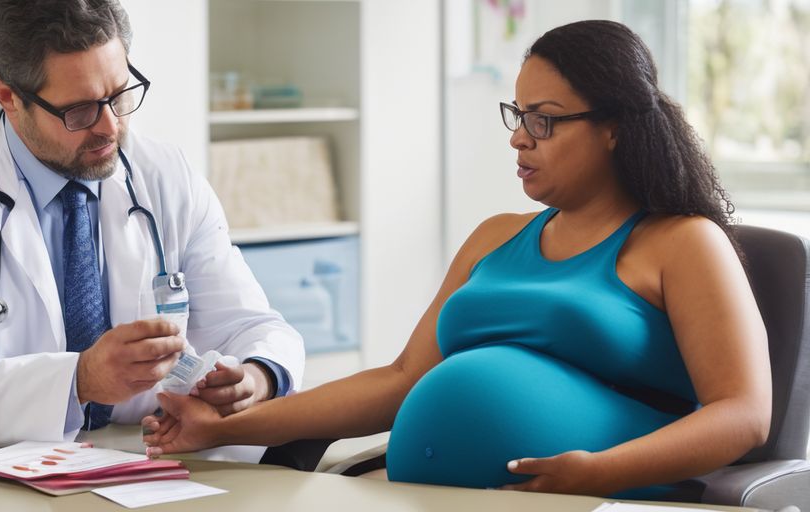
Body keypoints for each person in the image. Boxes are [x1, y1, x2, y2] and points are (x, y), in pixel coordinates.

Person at [141, 20, 772, 498]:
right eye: (518, 114)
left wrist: (598, 473)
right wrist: (219, 430)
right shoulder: (495, 237)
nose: (519, 136)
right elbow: (397, 380)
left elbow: (742, 415)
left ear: (615, 128)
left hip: (597, 499)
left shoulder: (682, 242)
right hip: (426, 496)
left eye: (545, 121)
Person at [0, 0, 304, 449]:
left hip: (150, 461)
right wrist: (78, 380)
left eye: (119, 94)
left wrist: (256, 376)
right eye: (79, 110)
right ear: (8, 97)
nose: (110, 127)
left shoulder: (165, 175)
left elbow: (255, 326)